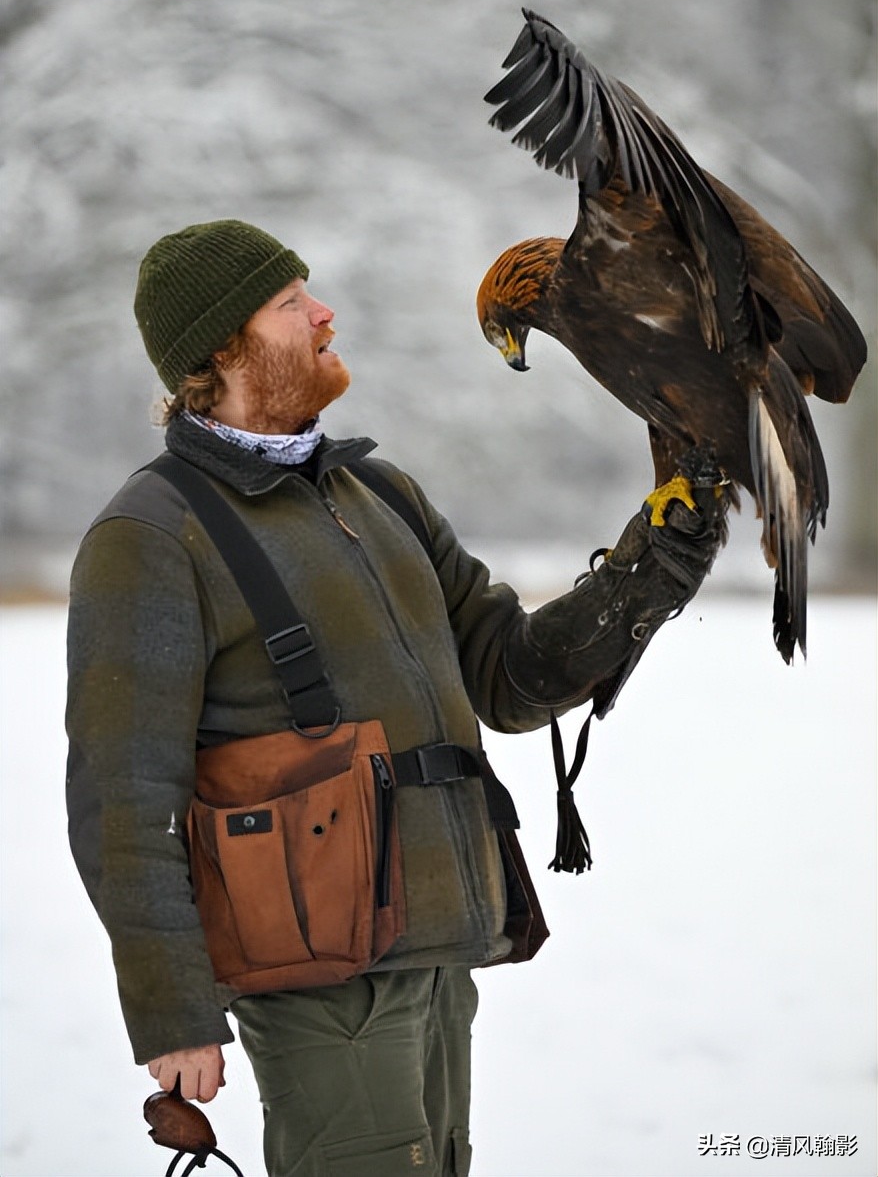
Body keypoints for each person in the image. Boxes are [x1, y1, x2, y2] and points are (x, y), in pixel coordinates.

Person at [66, 220, 727, 1177]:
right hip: (313, 976)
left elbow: (505, 674)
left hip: (435, 942)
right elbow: (122, 798)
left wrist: (648, 568)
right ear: (222, 348)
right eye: (292, 304)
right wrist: (172, 1012)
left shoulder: (379, 493)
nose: (326, 312)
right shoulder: (151, 532)